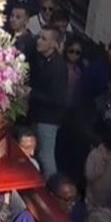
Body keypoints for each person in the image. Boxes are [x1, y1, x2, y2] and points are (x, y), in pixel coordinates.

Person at [28, 27, 68, 177]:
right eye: (39, 37)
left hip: (49, 119)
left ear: (53, 44)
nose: (39, 41)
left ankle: (53, 189)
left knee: (46, 157)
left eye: (44, 39)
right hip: (37, 114)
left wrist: (31, 93)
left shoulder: (58, 66)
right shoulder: (40, 59)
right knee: (38, 154)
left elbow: (58, 98)